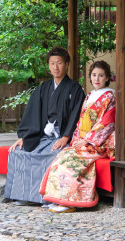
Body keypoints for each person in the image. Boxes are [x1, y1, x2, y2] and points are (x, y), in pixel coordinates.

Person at [3, 47, 85, 205]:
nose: (56, 67)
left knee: (52, 156)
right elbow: (32, 114)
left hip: (62, 137)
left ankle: (46, 198)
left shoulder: (74, 89)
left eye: (59, 63)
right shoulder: (43, 89)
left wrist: (66, 137)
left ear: (67, 64)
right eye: (52, 63)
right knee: (18, 152)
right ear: (48, 66)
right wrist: (24, 138)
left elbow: (76, 115)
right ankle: (24, 196)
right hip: (42, 136)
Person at [40, 60, 116, 212]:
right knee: (62, 156)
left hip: (99, 143)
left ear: (107, 78)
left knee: (71, 162)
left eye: (101, 75)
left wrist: (87, 141)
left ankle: (71, 201)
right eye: (94, 75)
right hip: (82, 140)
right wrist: (76, 139)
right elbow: (80, 121)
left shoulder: (110, 96)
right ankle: (59, 199)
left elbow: (106, 123)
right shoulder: (89, 96)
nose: (97, 79)